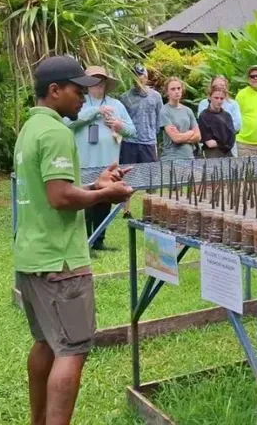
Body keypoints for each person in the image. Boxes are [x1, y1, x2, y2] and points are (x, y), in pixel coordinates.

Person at [13, 55, 134, 425]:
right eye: (77, 89)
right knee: (73, 350)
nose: (84, 96)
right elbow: (60, 198)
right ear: (54, 91)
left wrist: (94, 186)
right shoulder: (57, 133)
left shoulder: (29, 130)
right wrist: (104, 196)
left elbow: (54, 189)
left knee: (46, 344)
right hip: (61, 262)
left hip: (31, 257)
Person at [64, 66, 134, 251]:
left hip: (109, 164)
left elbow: (132, 131)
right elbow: (68, 123)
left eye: (101, 80)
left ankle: (99, 241)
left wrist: (119, 125)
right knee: (85, 201)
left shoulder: (117, 105)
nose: (98, 84)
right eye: (93, 80)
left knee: (105, 202)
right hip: (85, 164)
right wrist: (96, 111)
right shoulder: (79, 103)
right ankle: (84, 242)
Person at [118, 64, 162, 218]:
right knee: (128, 176)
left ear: (146, 76)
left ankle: (150, 211)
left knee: (151, 177)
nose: (139, 79)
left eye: (141, 75)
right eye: (136, 76)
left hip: (149, 142)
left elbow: (159, 118)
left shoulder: (156, 97)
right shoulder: (124, 97)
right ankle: (126, 210)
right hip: (130, 142)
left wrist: (153, 135)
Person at [159, 77, 200, 162]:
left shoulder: (188, 110)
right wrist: (191, 132)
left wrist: (182, 136)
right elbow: (176, 138)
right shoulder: (164, 111)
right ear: (167, 92)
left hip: (189, 157)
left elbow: (198, 136)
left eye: (178, 88)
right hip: (171, 158)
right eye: (173, 89)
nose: (176, 91)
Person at [197, 76, 242, 155]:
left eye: (221, 98)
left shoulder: (228, 112)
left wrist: (219, 137)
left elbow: (236, 128)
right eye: (216, 86)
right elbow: (208, 140)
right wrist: (224, 137)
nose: (219, 100)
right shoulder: (204, 110)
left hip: (229, 150)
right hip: (212, 153)